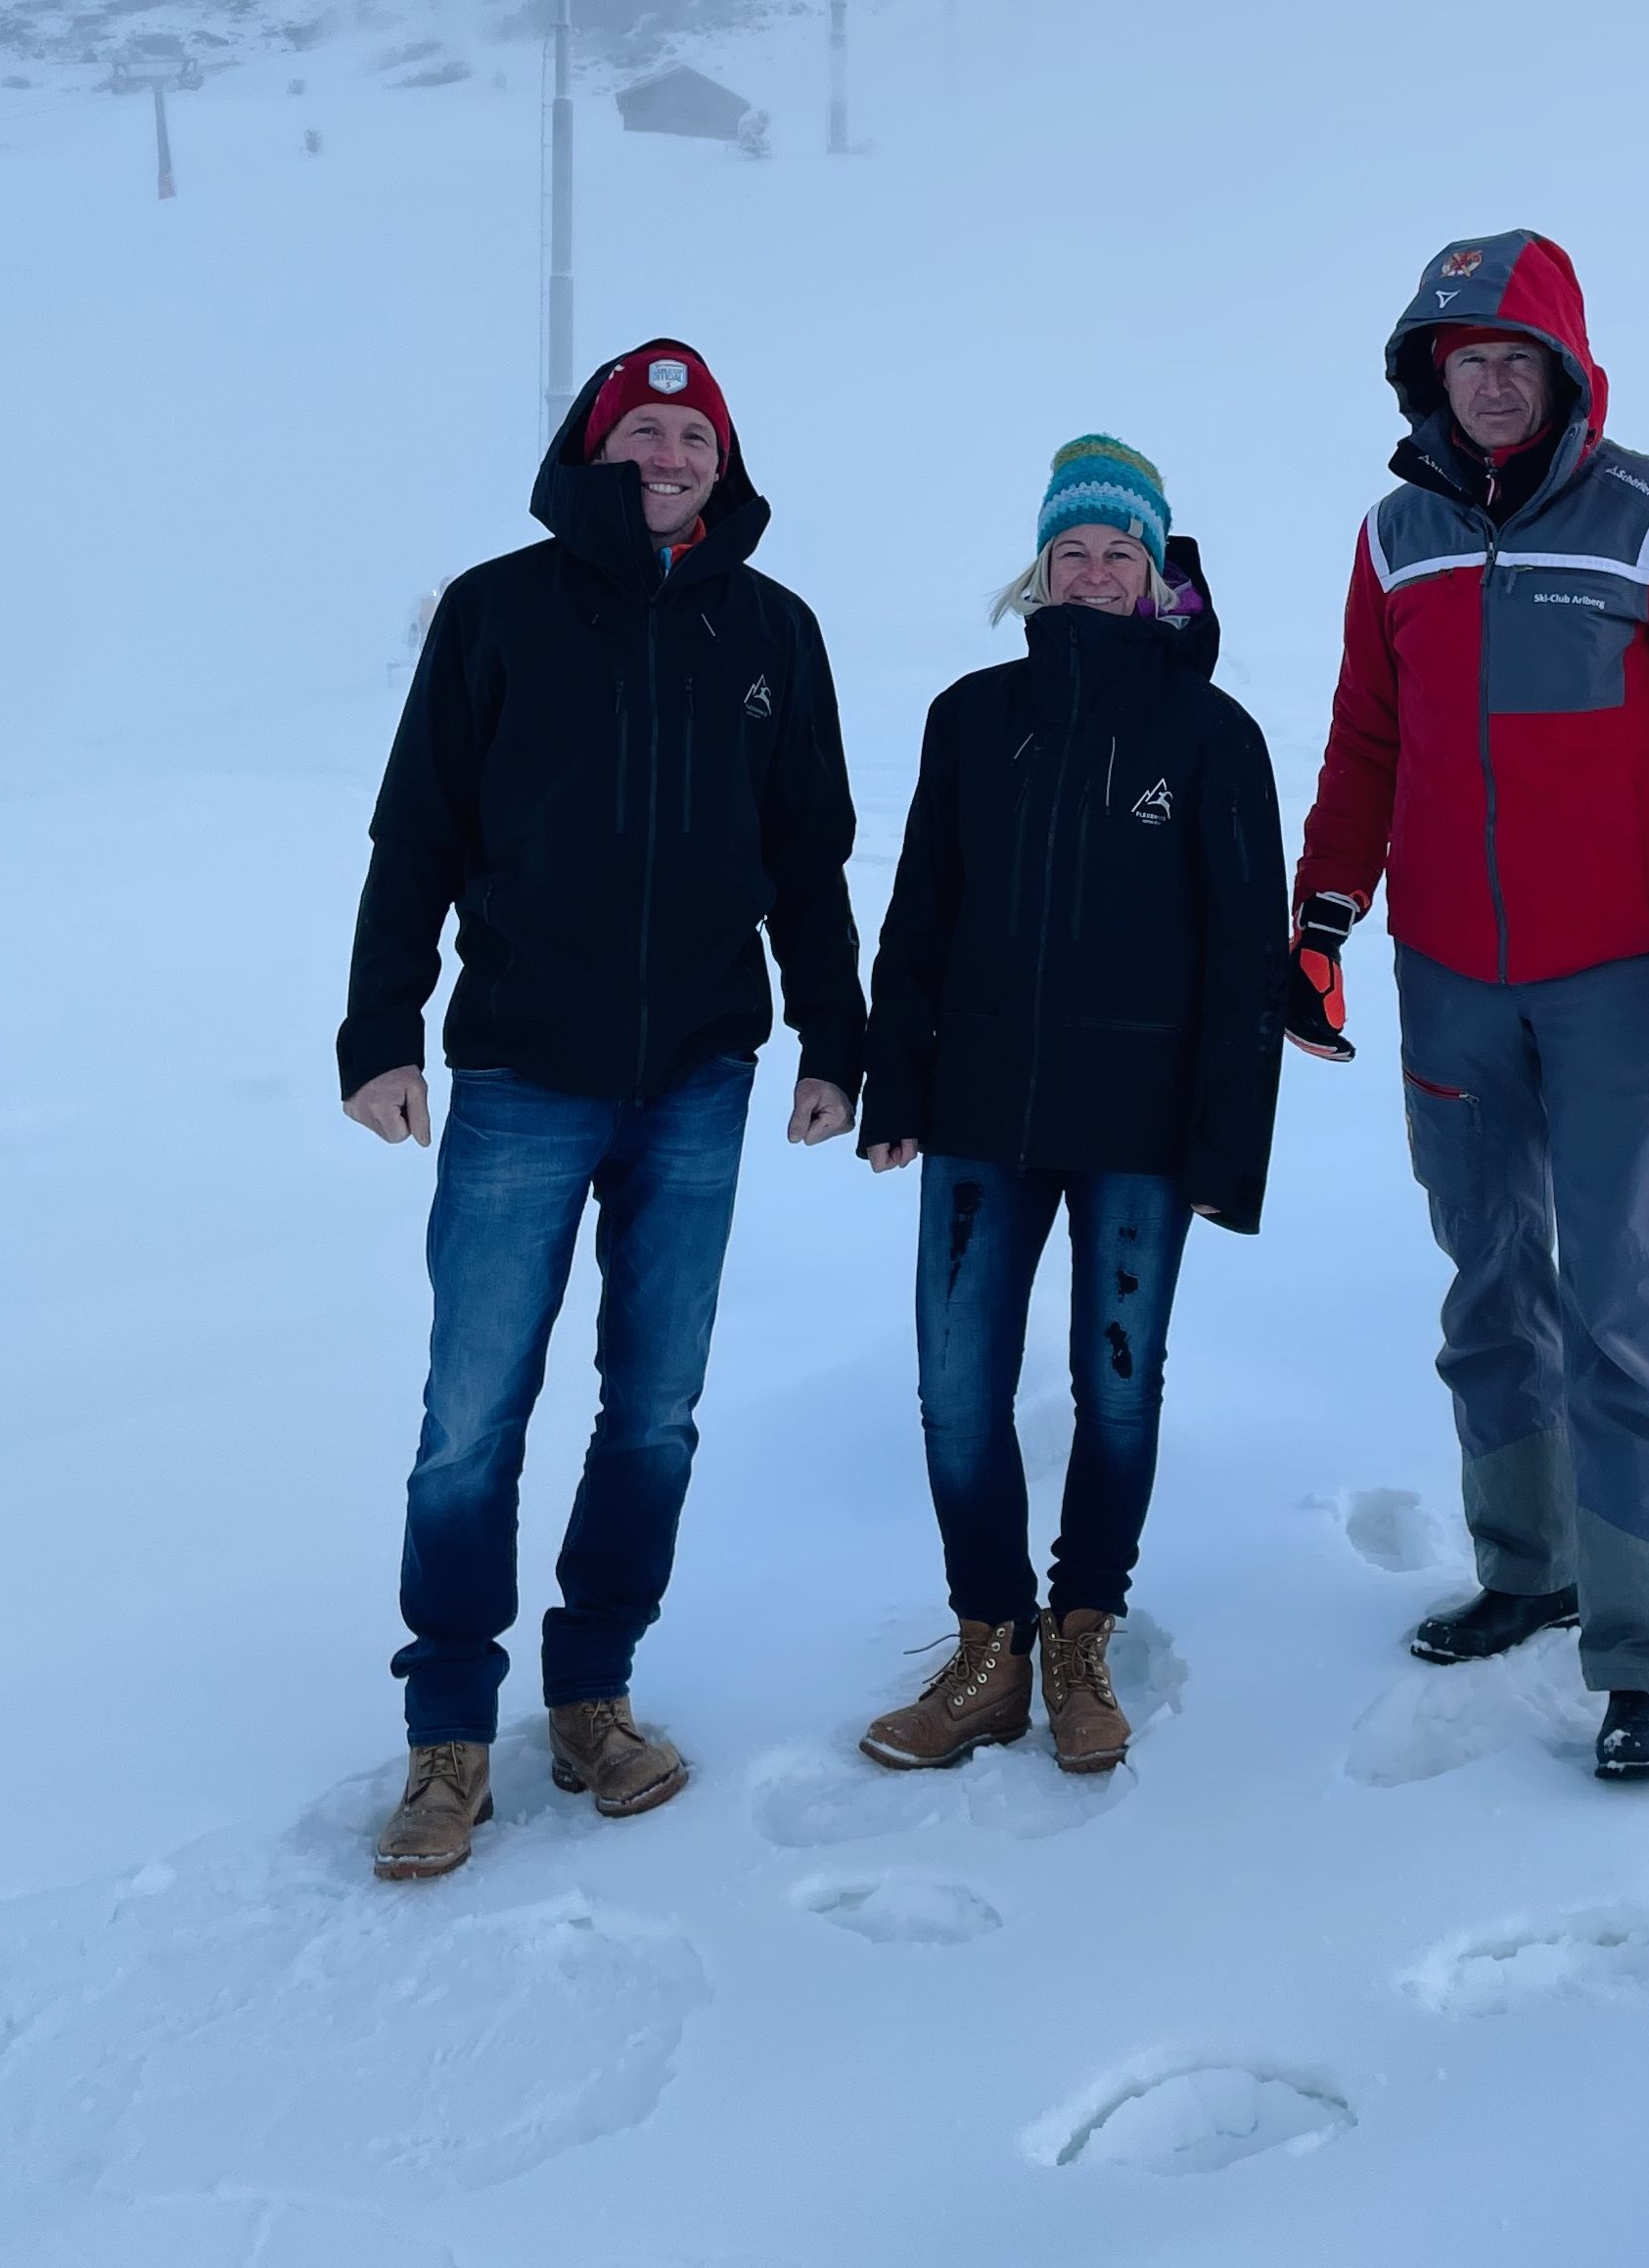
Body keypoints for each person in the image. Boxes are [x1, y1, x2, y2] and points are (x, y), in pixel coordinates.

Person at [1287, 234, 1649, 1781]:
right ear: (1428, 377)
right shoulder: (1396, 537)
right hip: (1447, 974)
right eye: (1465, 362)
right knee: (1486, 1275)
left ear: (1566, 371)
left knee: (1627, 1300)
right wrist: (1324, 913)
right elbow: (1363, 740)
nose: (1492, 385)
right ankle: (1528, 1561)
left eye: (1516, 360)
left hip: (1612, 981)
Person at [341, 340, 865, 1879]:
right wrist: (381, 1030)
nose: (670, 452)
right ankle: (449, 1736)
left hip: (699, 1074)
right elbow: (414, 828)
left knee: (652, 1406)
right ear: (593, 448)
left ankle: (593, 1697)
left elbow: (808, 859)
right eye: (643, 428)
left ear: (724, 463)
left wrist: (836, 1037)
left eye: (694, 434)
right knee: (469, 1417)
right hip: (521, 1072)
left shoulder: (771, 631)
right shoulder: (499, 609)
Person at [857, 437, 1285, 1775]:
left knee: (1114, 1392)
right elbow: (918, 910)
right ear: (1038, 568)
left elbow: (1245, 957)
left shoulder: (1211, 737)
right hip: (982, 1117)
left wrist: (1227, 1148)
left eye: (1120, 553)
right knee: (953, 1386)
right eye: (1073, 551)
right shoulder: (973, 717)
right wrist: (895, 1080)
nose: (1095, 571)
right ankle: (987, 1643)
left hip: (1143, 1134)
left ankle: (1079, 1634)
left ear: (1157, 577)